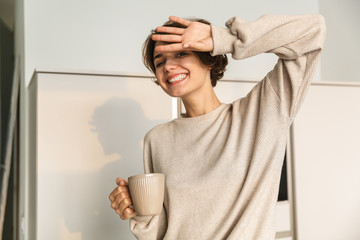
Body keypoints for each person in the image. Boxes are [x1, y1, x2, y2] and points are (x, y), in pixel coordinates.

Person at [109, 14, 326, 239]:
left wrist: (223, 38)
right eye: (160, 62)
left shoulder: (261, 113)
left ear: (208, 58)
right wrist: (139, 213)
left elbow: (312, 32)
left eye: (181, 53)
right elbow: (160, 232)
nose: (169, 67)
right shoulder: (157, 139)